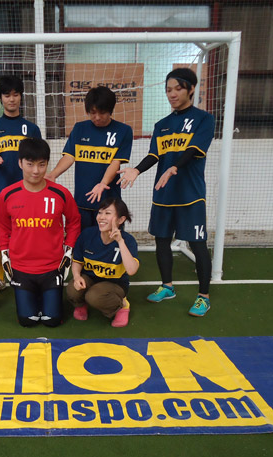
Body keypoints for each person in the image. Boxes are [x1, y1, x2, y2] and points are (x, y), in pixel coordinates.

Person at [118, 68, 215, 317]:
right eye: (168, 90)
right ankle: (167, 287)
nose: (172, 94)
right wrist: (137, 170)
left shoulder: (204, 119)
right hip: (163, 195)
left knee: (197, 244)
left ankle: (203, 297)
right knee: (161, 240)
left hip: (191, 195)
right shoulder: (161, 125)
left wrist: (175, 167)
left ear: (191, 89)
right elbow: (154, 155)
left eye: (178, 89)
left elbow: (194, 149)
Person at [0, 138, 81, 327]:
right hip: (21, 267)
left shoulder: (61, 193)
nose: (36, 170)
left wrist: (68, 251)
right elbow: (2, 227)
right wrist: (5, 254)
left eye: (41, 164)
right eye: (30, 164)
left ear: (47, 164)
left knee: (52, 321)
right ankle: (33, 296)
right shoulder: (7, 195)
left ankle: (45, 296)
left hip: (52, 267)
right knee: (28, 321)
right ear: (20, 163)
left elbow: (74, 222)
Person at [0, 75, 42, 297]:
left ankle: (28, 274)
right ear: (0, 98)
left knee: (28, 233)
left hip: (27, 192)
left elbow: (38, 160)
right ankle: (0, 278)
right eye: (7, 95)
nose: (12, 99)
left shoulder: (31, 129)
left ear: (21, 96)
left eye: (16, 94)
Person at [45, 86, 133, 230]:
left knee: (109, 240)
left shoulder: (123, 131)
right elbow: (69, 157)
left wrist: (102, 183)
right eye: (92, 113)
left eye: (102, 113)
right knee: (82, 240)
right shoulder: (79, 128)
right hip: (82, 201)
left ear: (110, 110)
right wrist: (53, 174)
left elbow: (115, 163)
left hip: (109, 202)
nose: (97, 117)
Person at [67, 198, 139, 327]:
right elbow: (77, 261)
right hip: (90, 279)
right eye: (100, 213)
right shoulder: (87, 234)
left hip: (115, 284)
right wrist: (77, 277)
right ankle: (81, 304)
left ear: (121, 219)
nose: (101, 217)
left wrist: (120, 242)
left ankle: (121, 306)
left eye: (108, 213)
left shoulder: (128, 241)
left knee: (94, 296)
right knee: (73, 289)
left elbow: (132, 270)